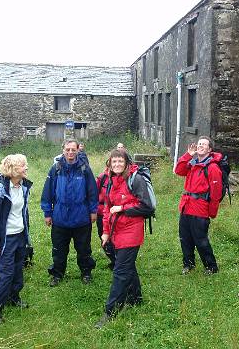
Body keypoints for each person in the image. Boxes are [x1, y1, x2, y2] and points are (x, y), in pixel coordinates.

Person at [95, 149, 154, 328]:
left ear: (127, 163)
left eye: (120, 161)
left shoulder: (136, 180)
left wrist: (123, 208)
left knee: (120, 271)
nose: (117, 165)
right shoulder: (111, 180)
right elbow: (107, 208)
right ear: (110, 164)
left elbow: (147, 207)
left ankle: (110, 311)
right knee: (127, 265)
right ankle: (136, 298)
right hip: (116, 231)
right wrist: (105, 231)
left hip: (131, 231)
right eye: (114, 162)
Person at [41, 139, 98, 286]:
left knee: (84, 249)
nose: (70, 152)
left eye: (73, 149)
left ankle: (86, 272)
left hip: (81, 217)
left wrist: (93, 211)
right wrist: (47, 213)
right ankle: (57, 274)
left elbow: (92, 192)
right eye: (68, 149)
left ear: (78, 150)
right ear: (63, 150)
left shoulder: (85, 168)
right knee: (59, 250)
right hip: (60, 217)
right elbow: (47, 193)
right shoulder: (56, 168)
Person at [0, 154, 32, 323]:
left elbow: (23, 213)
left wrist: (26, 236)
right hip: (5, 240)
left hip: (19, 236)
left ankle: (13, 298)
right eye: (23, 165)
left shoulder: (23, 186)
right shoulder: (0, 189)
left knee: (18, 270)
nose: (26, 168)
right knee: (6, 274)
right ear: (13, 169)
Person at [174, 136, 222, 275]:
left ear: (209, 149)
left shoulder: (212, 167)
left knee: (200, 240)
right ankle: (188, 264)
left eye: (204, 144)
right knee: (185, 238)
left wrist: (212, 212)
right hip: (186, 206)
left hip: (200, 209)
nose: (200, 146)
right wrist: (188, 155)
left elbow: (216, 193)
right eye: (199, 143)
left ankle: (211, 266)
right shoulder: (192, 163)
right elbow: (178, 170)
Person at [95, 159, 116, 269]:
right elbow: (94, 194)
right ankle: (113, 259)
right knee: (103, 237)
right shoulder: (102, 178)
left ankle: (118, 260)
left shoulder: (123, 178)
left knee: (116, 237)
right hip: (101, 212)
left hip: (118, 213)